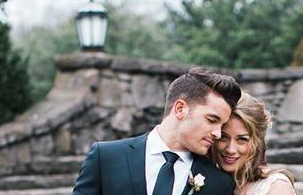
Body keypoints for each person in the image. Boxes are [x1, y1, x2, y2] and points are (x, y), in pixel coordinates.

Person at [73, 67, 241, 195]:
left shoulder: (220, 184)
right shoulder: (106, 157)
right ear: (180, 109)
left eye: (222, 126)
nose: (217, 134)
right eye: (212, 120)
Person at [211, 93, 296, 195]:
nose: (230, 149)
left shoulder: (276, 186)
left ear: (257, 142)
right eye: (223, 137)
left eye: (242, 139)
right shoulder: (208, 179)